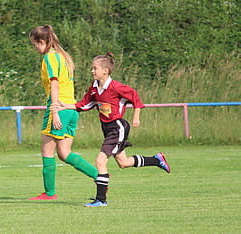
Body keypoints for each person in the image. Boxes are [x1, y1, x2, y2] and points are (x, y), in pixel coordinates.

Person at [53, 52, 171, 207]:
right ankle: (156, 160)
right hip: (107, 128)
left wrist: (136, 117)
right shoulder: (94, 88)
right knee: (123, 162)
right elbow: (85, 104)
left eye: (95, 68)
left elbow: (135, 97)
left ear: (105, 71)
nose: (92, 71)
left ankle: (101, 200)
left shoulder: (116, 87)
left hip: (117, 127)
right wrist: (65, 105)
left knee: (100, 160)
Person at [28, 25, 98, 200]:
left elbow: (55, 84)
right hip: (71, 108)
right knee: (64, 153)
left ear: (42, 42)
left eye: (34, 44)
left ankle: (49, 193)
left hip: (59, 108)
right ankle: (100, 177)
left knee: (47, 151)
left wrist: (55, 111)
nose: (35, 48)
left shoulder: (50, 58)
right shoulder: (63, 57)